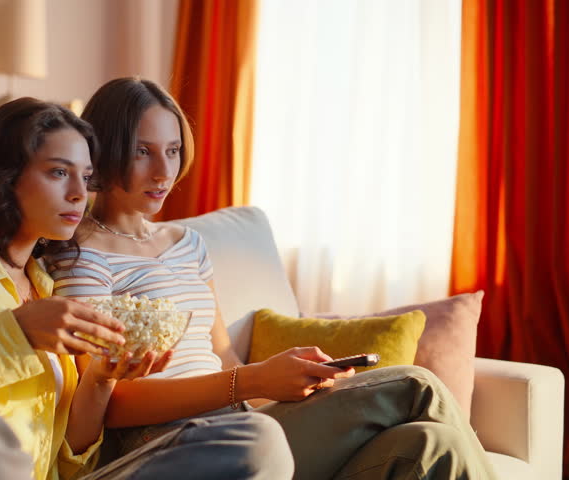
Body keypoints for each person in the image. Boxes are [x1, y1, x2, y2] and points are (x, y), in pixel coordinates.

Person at [47, 77, 500, 479]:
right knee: (415, 385)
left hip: (239, 417)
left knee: (433, 445)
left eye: (172, 150)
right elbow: (109, 401)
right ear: (104, 150)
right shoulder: (83, 255)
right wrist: (257, 380)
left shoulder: (187, 244)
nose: (164, 171)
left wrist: (285, 390)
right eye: (143, 151)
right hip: (172, 443)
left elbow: (223, 356)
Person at [0, 97, 292, 480]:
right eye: (58, 173)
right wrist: (14, 334)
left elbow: (71, 460)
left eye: (85, 177)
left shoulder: (43, 285)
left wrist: (99, 379)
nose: (79, 193)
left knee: (256, 440)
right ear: (5, 176)